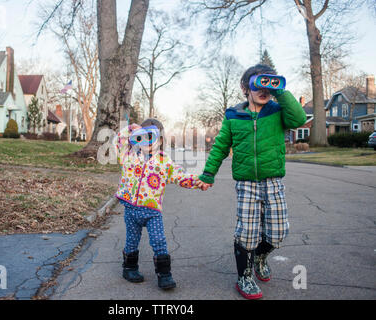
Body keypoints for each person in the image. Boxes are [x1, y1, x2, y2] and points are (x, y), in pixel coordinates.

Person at [197, 64, 306, 299]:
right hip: (247, 184)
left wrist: (281, 91)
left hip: (273, 181)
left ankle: (260, 256)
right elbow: (220, 148)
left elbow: (298, 119)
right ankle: (244, 277)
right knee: (247, 232)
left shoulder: (277, 111)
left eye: (270, 82)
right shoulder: (233, 116)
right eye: (260, 82)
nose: (265, 88)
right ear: (246, 87)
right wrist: (208, 174)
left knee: (278, 232)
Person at [114, 118, 202, 290]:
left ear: (160, 140)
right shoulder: (128, 156)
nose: (145, 141)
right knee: (132, 241)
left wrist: (198, 181)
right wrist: (132, 128)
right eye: (141, 137)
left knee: (159, 241)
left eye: (151, 136)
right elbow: (118, 141)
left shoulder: (164, 161)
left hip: (152, 211)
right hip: (131, 210)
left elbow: (180, 176)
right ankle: (129, 268)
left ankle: (164, 274)